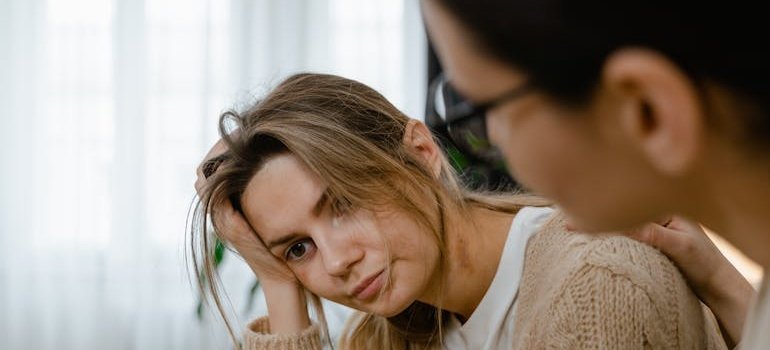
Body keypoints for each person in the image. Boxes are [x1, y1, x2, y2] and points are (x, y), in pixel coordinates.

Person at [192, 73, 726, 349]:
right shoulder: (385, 338)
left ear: (422, 154)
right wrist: (279, 284)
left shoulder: (594, 287)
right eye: (298, 248)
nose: (334, 263)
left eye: (344, 204)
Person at [420, 0, 764, 348]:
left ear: (648, 109)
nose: (493, 138)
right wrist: (723, 285)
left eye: (487, 110)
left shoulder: (599, 283)